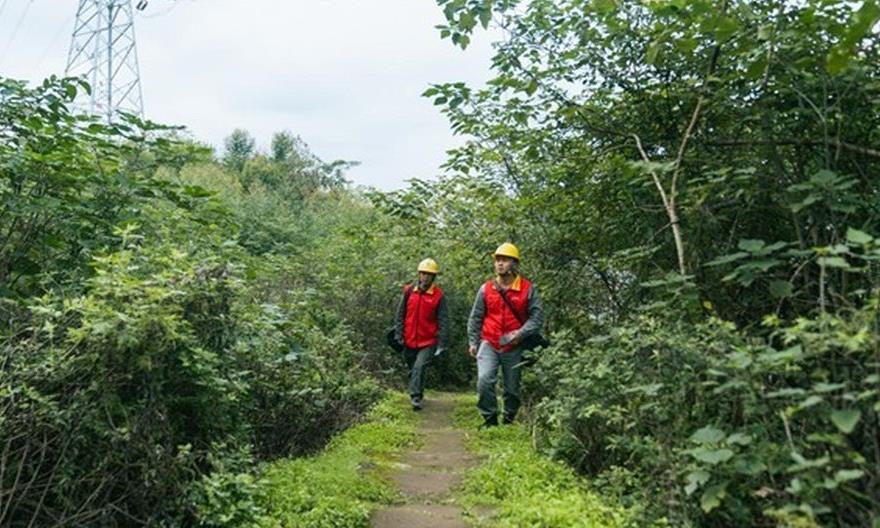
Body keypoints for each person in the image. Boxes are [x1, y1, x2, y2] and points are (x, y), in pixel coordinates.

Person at [467, 243, 544, 427]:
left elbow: (537, 317)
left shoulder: (527, 288)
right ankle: (489, 418)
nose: (500, 264)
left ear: (514, 263)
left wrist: (521, 333)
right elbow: (475, 317)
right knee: (485, 381)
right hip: (489, 342)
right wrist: (473, 341)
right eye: (497, 260)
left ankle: (509, 418)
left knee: (512, 389)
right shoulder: (486, 288)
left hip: (514, 346)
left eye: (504, 260)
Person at [394, 258, 449, 410]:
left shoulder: (438, 296)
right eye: (423, 274)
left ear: (434, 277)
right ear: (419, 274)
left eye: (429, 274)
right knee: (414, 369)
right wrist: (399, 334)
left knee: (419, 366)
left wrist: (442, 344)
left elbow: (443, 320)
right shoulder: (409, 291)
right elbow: (400, 314)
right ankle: (418, 391)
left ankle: (415, 397)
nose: (425, 277)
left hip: (428, 341)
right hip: (409, 339)